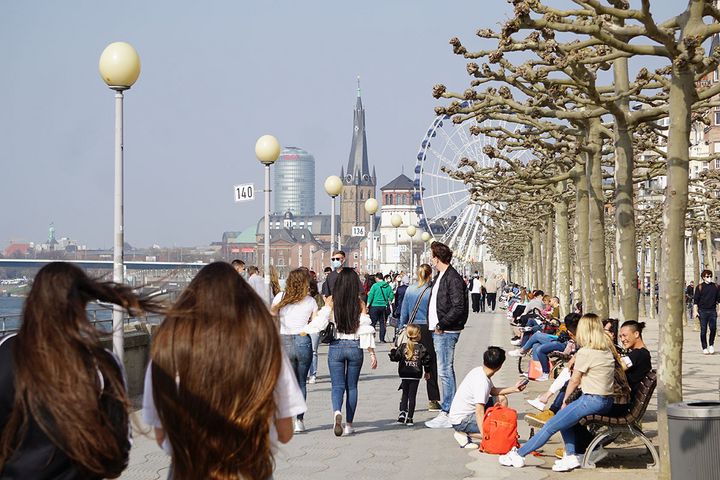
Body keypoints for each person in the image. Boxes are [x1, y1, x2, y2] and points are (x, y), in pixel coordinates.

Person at [0, 262, 163, 479]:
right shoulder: (102, 363)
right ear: (82, 304)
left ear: (33, 301)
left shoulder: (6, 351)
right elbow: (118, 455)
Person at [144, 262, 305, 479]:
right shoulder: (266, 346)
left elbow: (161, 435)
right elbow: (285, 432)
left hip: (188, 470)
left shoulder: (168, 348)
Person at [499, 313, 615, 472]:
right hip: (605, 401)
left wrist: (565, 401)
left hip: (591, 400)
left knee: (551, 425)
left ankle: (519, 455)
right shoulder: (605, 351)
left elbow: (574, 380)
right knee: (564, 420)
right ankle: (571, 455)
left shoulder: (586, 352)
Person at [303, 268, 377, 436]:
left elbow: (320, 321)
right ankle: (349, 425)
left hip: (336, 346)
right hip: (354, 347)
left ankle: (337, 412)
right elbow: (366, 329)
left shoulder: (331, 301)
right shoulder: (359, 304)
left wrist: (305, 329)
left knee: (337, 386)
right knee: (352, 387)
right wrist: (372, 353)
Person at [425, 241, 469, 429]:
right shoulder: (441, 276)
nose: (431, 260)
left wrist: (442, 324)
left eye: (432, 257)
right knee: (444, 369)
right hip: (440, 329)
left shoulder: (452, 278)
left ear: (437, 257)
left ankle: (448, 410)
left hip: (446, 330)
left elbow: (459, 306)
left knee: (444, 370)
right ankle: (448, 408)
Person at [449, 346, 527, 449]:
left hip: (464, 414)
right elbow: (479, 411)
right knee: (498, 431)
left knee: (501, 398)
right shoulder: (482, 382)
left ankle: (489, 429)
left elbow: (493, 391)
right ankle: (465, 433)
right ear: (500, 366)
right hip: (462, 420)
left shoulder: (480, 371)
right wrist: (485, 436)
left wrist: (514, 389)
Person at [272, 268, 319, 433]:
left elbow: (271, 317)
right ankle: (299, 421)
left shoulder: (280, 297)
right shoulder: (310, 301)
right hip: (302, 339)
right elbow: (315, 324)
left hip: (284, 339)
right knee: (301, 382)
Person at [399, 264, 441, 411]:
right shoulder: (432, 291)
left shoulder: (410, 289)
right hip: (427, 328)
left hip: (412, 327)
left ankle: (406, 398)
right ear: (430, 275)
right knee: (430, 363)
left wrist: (400, 328)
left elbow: (404, 311)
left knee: (410, 362)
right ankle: (433, 399)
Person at [389, 324, 430, 426]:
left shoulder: (403, 346)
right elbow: (427, 360)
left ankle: (402, 413)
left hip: (404, 373)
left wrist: (393, 352)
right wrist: (427, 371)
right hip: (415, 374)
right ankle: (410, 418)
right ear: (418, 335)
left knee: (405, 394)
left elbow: (396, 358)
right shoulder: (421, 347)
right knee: (412, 396)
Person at [693, 269, 720, 354]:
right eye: (707, 276)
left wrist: (719, 310)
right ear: (703, 277)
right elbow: (695, 301)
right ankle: (704, 347)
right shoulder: (700, 287)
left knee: (713, 328)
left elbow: (719, 300)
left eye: (710, 276)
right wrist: (695, 311)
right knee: (703, 330)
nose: (709, 278)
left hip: (712, 311)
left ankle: (711, 344)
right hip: (702, 311)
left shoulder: (716, 287)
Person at [307, 270, 324, 384]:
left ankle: (312, 374)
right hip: (301, 327)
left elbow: (322, 311)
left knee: (313, 351)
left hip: (313, 327)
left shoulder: (317, 298)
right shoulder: (297, 298)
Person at [367, 272, 394, 343]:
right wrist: (389, 301)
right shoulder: (388, 286)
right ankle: (382, 339)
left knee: (373, 323)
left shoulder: (375, 286)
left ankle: (371, 338)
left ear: (376, 278)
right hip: (383, 306)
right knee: (383, 323)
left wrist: (367, 305)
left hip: (374, 306)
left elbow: (371, 296)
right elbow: (391, 295)